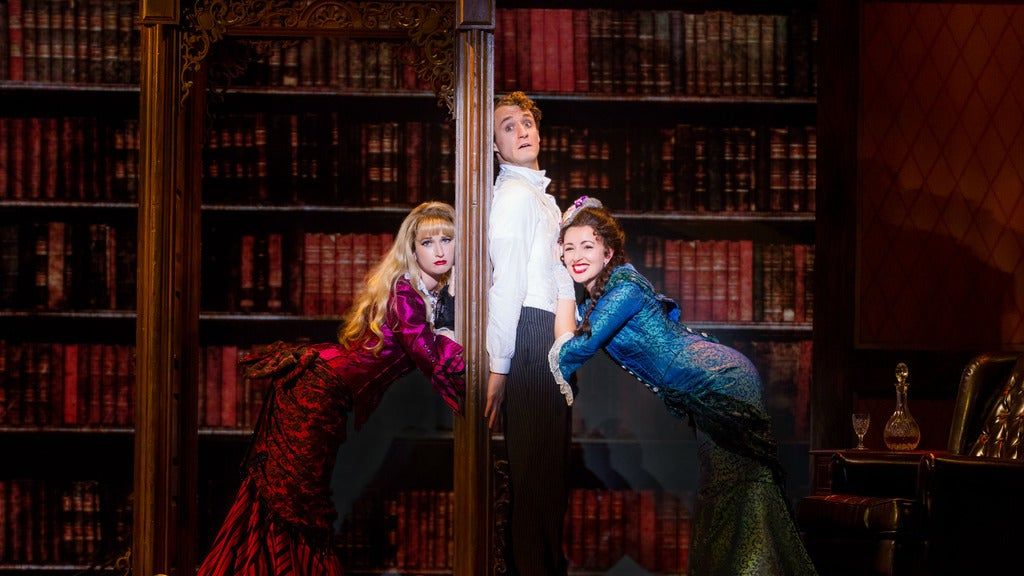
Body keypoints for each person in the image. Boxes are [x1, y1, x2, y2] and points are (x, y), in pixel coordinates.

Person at [549, 197, 818, 576]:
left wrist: (560, 280)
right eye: (569, 248)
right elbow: (576, 325)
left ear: (608, 253)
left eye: (587, 246)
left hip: (724, 379)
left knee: (740, 488)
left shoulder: (624, 289)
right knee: (724, 490)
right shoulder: (603, 297)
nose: (577, 256)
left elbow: (572, 351)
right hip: (706, 386)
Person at [197, 201, 464, 576]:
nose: (438, 251)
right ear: (412, 249)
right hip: (313, 391)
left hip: (327, 393)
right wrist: (493, 369)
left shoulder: (432, 294)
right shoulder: (405, 294)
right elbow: (431, 356)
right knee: (293, 501)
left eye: (447, 240)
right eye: (427, 242)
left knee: (296, 500)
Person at [485, 91, 574, 575]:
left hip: (549, 341)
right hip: (527, 335)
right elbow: (506, 286)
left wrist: (565, 347)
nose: (521, 131)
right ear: (495, 146)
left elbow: (561, 280)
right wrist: (500, 367)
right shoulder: (515, 197)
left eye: (526, 122)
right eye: (508, 126)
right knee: (535, 486)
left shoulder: (541, 197)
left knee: (549, 485)